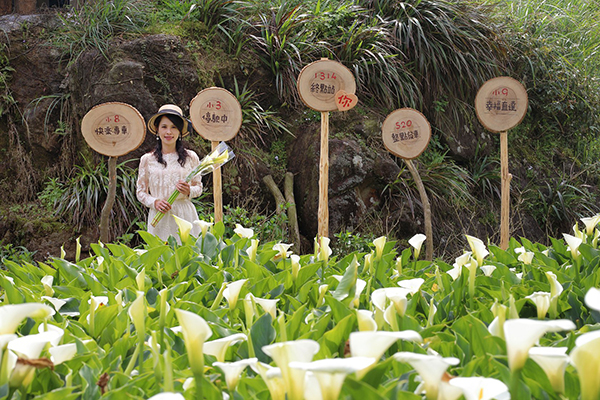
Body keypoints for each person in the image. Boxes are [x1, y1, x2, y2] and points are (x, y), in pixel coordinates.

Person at [136, 104, 202, 241]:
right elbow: (141, 192)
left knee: (187, 257)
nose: (168, 132)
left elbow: (199, 188)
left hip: (185, 215)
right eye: (164, 127)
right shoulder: (147, 159)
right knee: (161, 257)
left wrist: (188, 190)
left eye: (174, 127)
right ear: (157, 130)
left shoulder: (191, 157)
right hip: (159, 217)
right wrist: (155, 202)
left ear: (180, 132)